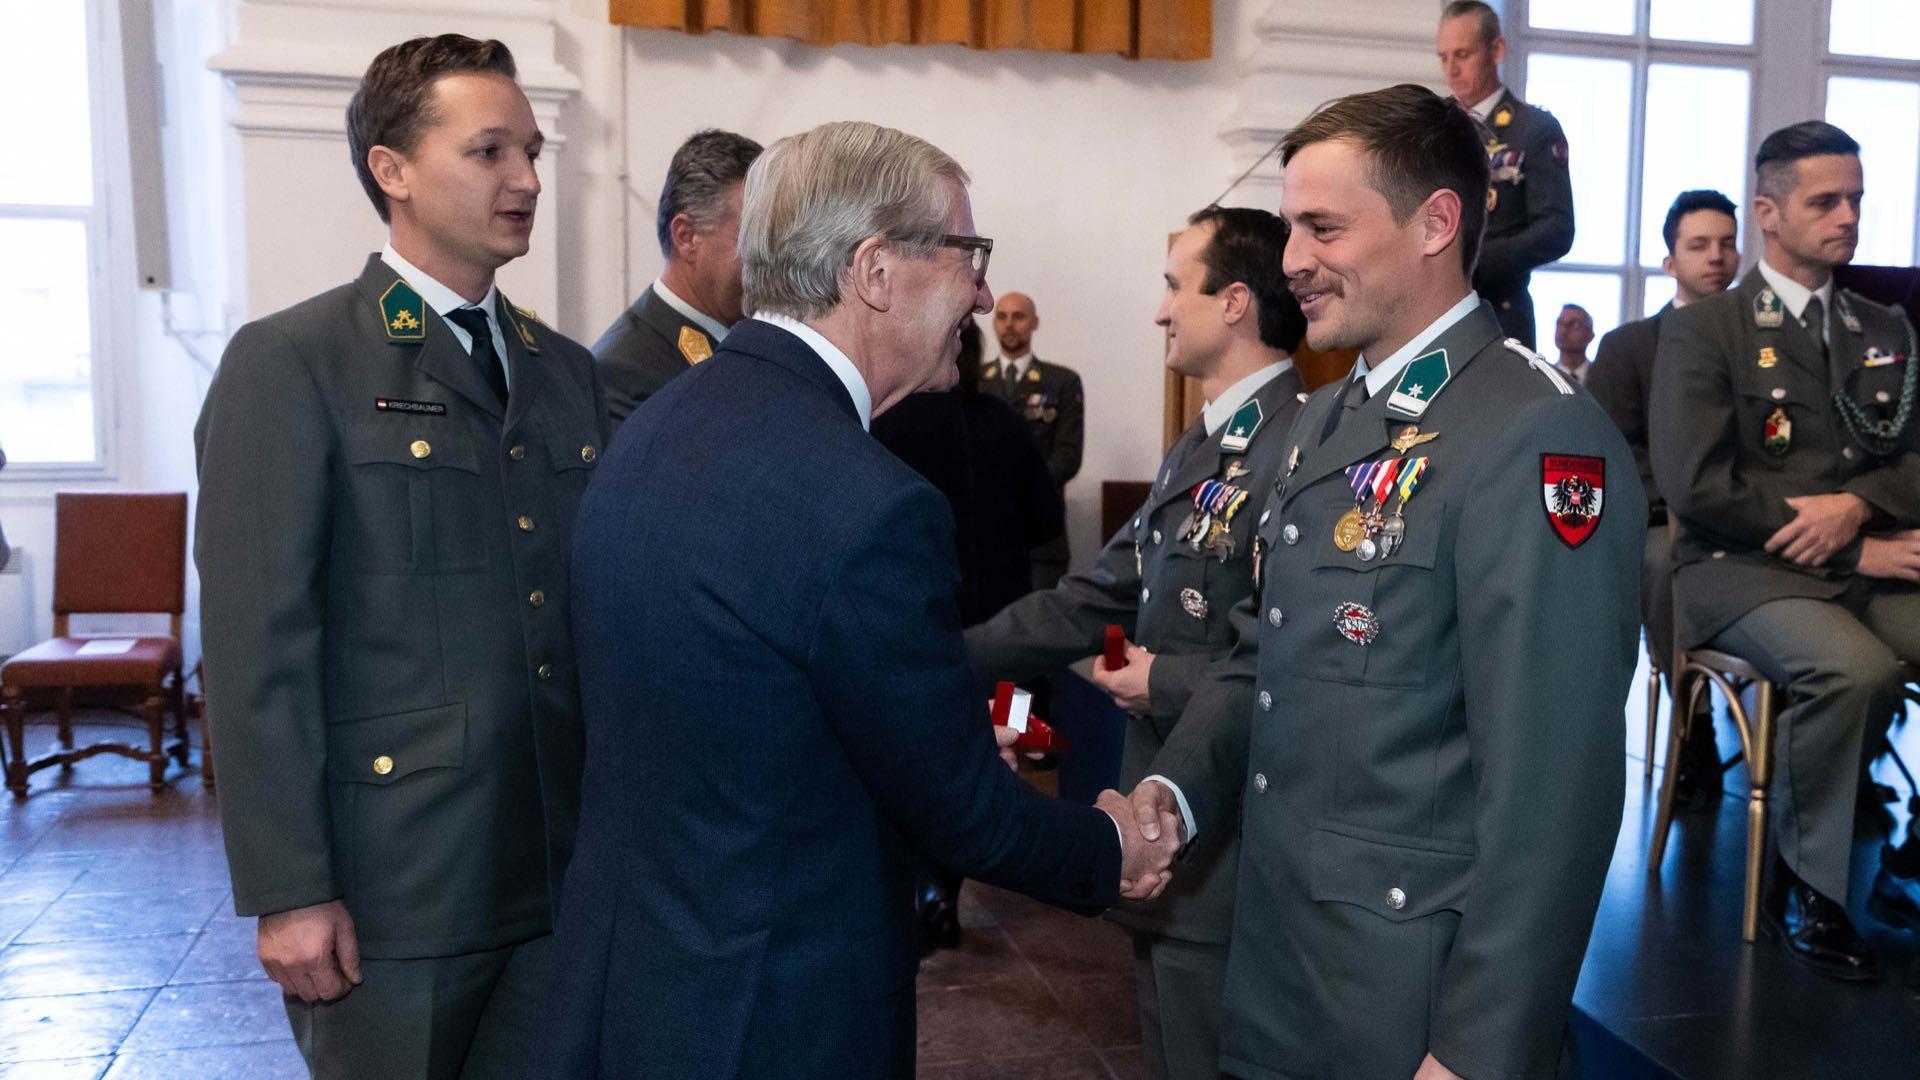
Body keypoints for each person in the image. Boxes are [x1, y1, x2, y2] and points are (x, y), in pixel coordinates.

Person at [542, 120, 1180, 1078]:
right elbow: (966, 817)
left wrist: (933, 726)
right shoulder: (869, 503)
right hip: (774, 1011)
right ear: (875, 271)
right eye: (969, 254)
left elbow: (741, 699)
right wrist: (1107, 843)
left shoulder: (658, 419)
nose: (977, 290)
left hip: (637, 979)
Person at [1131, 83, 1644, 1079]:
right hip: (1282, 959)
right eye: (1289, 229)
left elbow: (1556, 787)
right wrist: (1174, 792)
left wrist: (1479, 1047)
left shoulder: (1536, 435)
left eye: (1323, 226)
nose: (1291, 263)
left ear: (1435, 224)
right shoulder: (1329, 421)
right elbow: (1266, 651)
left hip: (1411, 1003)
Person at [193, 35, 606, 1078]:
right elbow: (258, 647)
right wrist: (289, 887)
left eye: (532, 151)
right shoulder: (296, 362)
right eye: (489, 152)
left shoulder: (565, 372)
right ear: (393, 170)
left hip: (560, 867)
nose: (526, 180)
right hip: (398, 886)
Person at [967, 205, 1307, 1080]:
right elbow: (1095, 599)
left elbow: (1296, 661)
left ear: (1235, 302)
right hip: (1163, 816)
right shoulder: (1201, 445)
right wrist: (941, 654)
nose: (1159, 311)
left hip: (1229, 829)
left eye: (1172, 286)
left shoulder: (1299, 448)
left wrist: (1163, 680)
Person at [1650, 121, 1920, 982]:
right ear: (1769, 211)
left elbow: (1914, 458)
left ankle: (1909, 858)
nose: (1848, 217)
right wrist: (1849, 550)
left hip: (1865, 557)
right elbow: (1697, 487)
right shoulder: (1709, 331)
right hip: (1742, 572)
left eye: (1856, 201)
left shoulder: (1887, 327)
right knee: (1854, 672)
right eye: (1825, 201)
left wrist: (1856, 508)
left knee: (1870, 655)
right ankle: (1808, 887)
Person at [1590, 188, 1739, 802]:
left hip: (1750, 514)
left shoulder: (1765, 342)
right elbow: (1612, 449)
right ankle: (1694, 723)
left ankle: (1805, 749)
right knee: (1664, 564)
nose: (1716, 258)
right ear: (1670, 261)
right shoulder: (1629, 348)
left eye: (1727, 245)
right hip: (1664, 516)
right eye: (1698, 246)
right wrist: (1686, 500)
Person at [873, 320, 1064, 629]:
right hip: (1000, 617)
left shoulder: (882, 423)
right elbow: (1046, 523)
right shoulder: (1005, 421)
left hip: (913, 615)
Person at [592, 129, 762, 423]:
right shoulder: (621, 369)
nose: (769, 257)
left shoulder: (758, 339)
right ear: (687, 237)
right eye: (753, 238)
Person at [1437, 0, 1574, 348]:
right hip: (1434, 314)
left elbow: (1556, 231)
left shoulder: (1533, 129)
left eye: (1462, 55)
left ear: (1496, 50)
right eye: (1444, 57)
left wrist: (1471, 261)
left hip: (1499, 313)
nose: (1451, 69)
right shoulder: (1436, 130)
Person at [982, 291, 1085, 588]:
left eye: (1018, 316)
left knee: (1040, 630)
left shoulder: (1062, 382)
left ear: (1034, 322)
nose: (1009, 324)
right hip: (987, 534)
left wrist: (1018, 491)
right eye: (1001, 316)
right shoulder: (976, 381)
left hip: (1042, 536)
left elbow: (1067, 456)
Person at [1552, 303, 1594, 384]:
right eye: (1560, 323)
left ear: (1590, 334)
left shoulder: (1604, 377)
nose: (1564, 330)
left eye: (1574, 325)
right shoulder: (1544, 377)